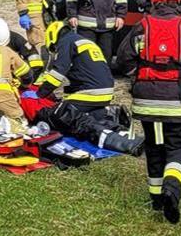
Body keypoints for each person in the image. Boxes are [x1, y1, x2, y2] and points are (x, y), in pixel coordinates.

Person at [112, 0, 181, 224]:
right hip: (176, 101)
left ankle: (156, 199)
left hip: (145, 102)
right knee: (179, 146)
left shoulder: (142, 26)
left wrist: (140, 76)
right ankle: (172, 189)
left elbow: (123, 60)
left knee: (155, 148)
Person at [33, 21, 143, 154]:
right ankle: (113, 123)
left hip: (91, 92)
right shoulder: (82, 41)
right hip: (106, 90)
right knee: (86, 114)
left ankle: (114, 140)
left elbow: (57, 73)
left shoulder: (65, 42)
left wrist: (39, 94)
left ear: (53, 38)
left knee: (63, 114)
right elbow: (84, 73)